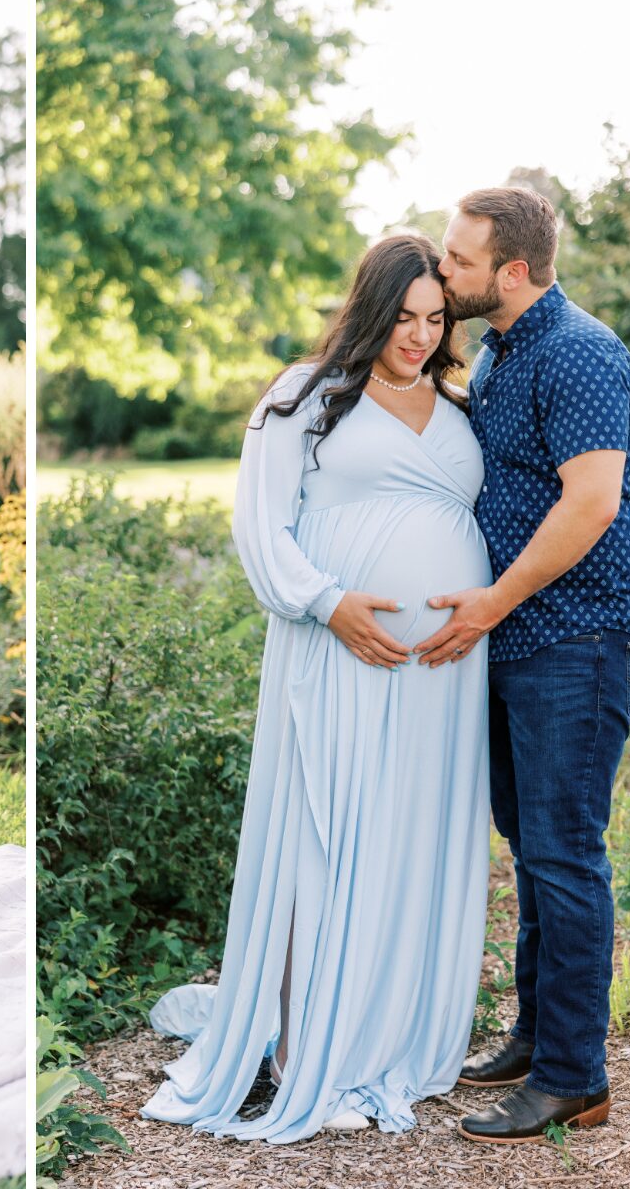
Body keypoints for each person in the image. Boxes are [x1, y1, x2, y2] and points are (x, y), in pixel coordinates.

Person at [140, 233, 493, 1142]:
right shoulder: (304, 397)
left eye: (435, 318)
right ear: (372, 307)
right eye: (404, 317)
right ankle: (305, 1049)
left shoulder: (460, 404)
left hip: (442, 672)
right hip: (337, 653)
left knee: (412, 835)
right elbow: (261, 530)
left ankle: (390, 1031)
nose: (419, 336)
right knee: (324, 837)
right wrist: (329, 604)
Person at [420, 186, 630, 1143]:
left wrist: (491, 602)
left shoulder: (582, 353)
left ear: (512, 273)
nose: (444, 271)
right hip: (518, 641)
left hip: (577, 638)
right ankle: (533, 1035)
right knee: (533, 849)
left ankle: (573, 1079)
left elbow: (592, 502)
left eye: (459, 262)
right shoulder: (504, 352)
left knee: (564, 855)